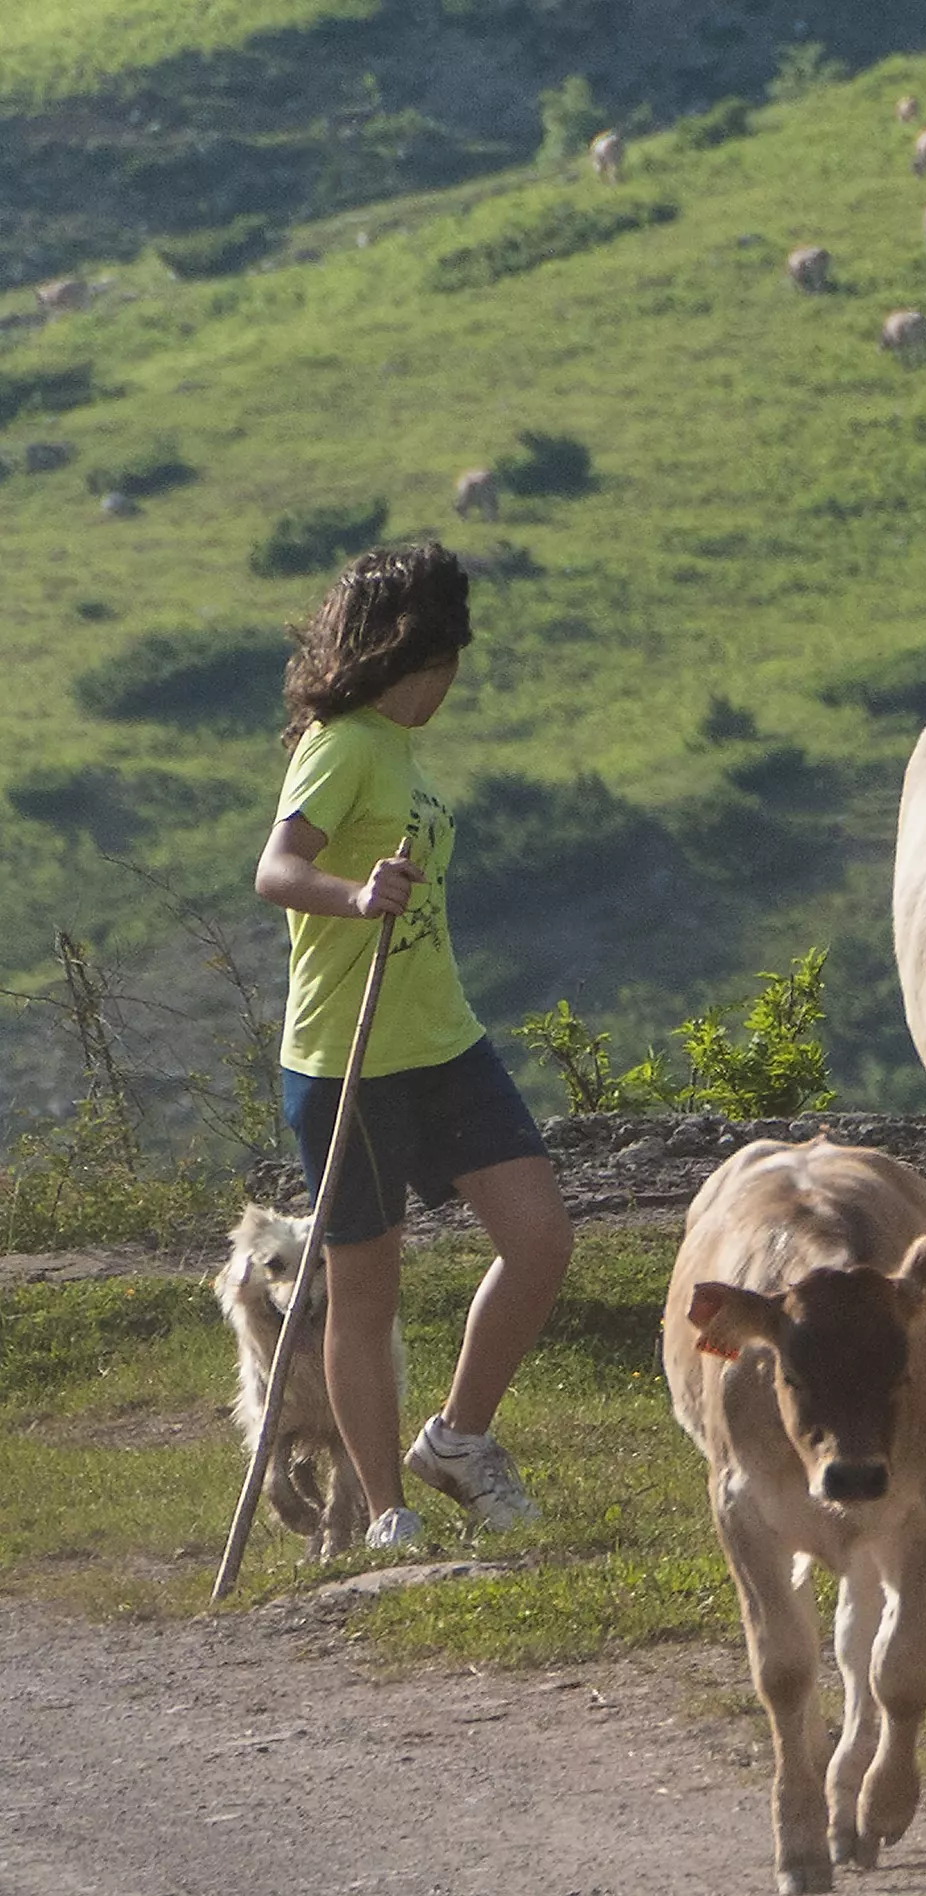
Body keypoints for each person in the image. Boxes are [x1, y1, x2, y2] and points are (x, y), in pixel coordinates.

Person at [253, 543, 572, 1551]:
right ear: (411, 654)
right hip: (345, 1058)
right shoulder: (341, 744)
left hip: (442, 1040)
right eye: (449, 659)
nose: (453, 682)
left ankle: (458, 1441)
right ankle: (386, 1513)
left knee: (540, 1237)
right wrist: (352, 896)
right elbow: (274, 869)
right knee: (365, 1288)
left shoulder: (395, 751)